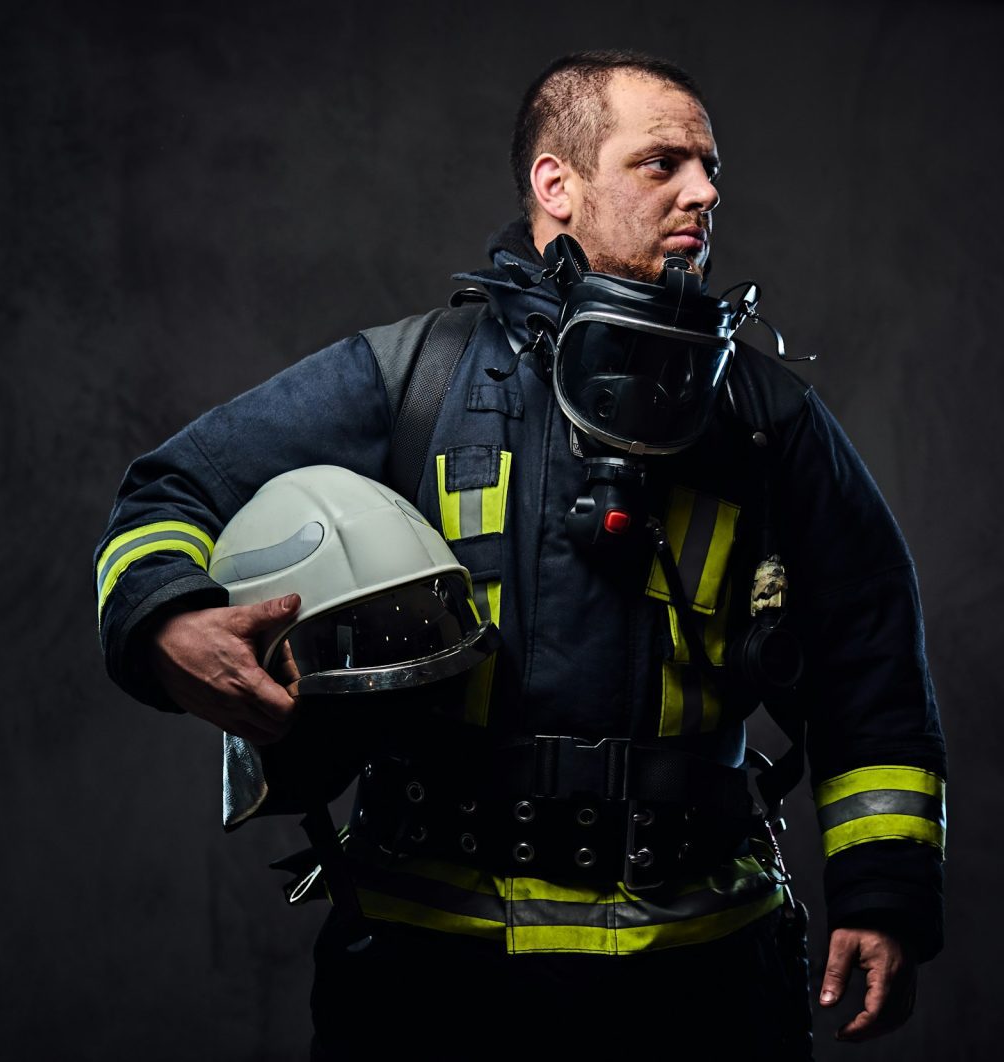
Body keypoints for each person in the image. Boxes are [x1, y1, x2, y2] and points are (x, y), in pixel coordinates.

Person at [94, 51, 946, 1057]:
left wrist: (883, 892)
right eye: (661, 163)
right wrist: (167, 619)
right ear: (557, 184)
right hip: (431, 981)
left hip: (703, 974)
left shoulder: (768, 420)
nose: (704, 192)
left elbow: (868, 655)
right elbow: (169, 491)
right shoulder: (411, 377)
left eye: (709, 168)